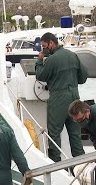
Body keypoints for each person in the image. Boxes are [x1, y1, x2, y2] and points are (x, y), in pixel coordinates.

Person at [35, 32, 88, 163]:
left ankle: (56, 163)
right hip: (75, 97)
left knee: (54, 132)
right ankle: (81, 163)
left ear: (51, 43)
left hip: (58, 98)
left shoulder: (52, 60)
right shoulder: (73, 55)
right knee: (75, 132)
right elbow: (83, 77)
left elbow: (40, 76)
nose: (43, 49)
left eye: (44, 46)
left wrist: (39, 61)